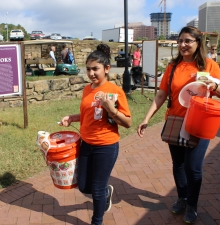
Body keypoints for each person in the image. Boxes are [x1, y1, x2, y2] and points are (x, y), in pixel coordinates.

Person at [137, 26, 220, 224]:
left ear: (198, 43)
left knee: (193, 167)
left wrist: (214, 86)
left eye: (187, 41)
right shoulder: (173, 67)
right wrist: (146, 118)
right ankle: (182, 197)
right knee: (179, 165)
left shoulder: (209, 66)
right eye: (180, 41)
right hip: (176, 121)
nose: (182, 45)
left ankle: (192, 204)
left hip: (200, 124)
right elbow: (161, 94)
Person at [60, 44, 132, 225]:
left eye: (96, 69)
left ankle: (97, 221)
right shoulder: (87, 89)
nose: (91, 73)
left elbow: (128, 123)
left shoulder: (115, 91)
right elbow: (87, 114)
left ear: (107, 69)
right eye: (88, 69)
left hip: (106, 146)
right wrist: (71, 117)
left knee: (97, 188)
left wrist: (110, 109)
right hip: (86, 144)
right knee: (83, 186)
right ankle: (106, 193)